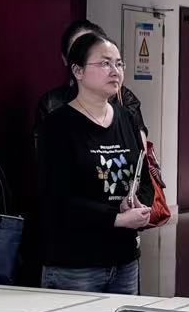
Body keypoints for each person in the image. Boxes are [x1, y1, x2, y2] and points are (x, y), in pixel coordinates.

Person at [34, 32, 156, 293]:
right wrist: (116, 218)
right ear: (78, 71)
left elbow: (144, 178)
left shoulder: (127, 118)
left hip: (124, 258)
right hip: (76, 263)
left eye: (119, 63)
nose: (115, 71)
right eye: (104, 63)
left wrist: (137, 202)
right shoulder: (57, 126)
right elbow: (56, 199)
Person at [36, 18, 146, 139]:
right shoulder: (51, 104)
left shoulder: (125, 101)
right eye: (78, 51)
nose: (114, 71)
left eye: (118, 64)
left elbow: (138, 146)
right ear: (66, 60)